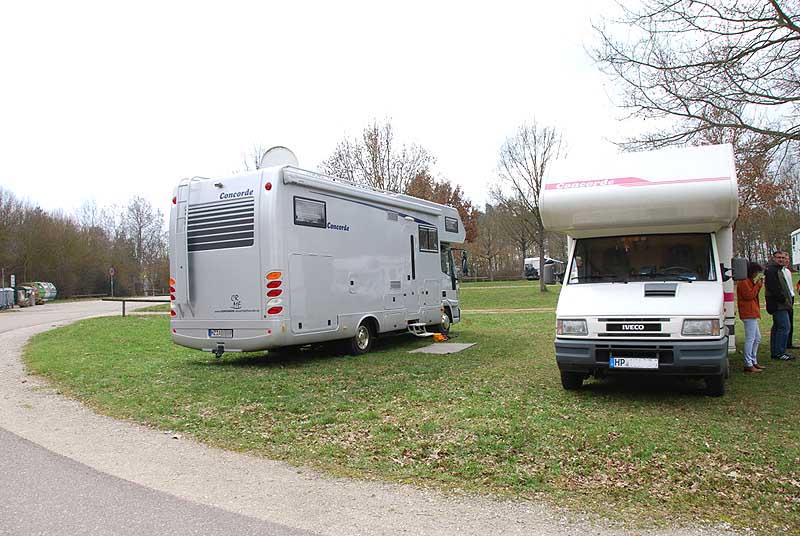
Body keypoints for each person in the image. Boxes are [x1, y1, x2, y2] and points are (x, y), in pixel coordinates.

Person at [764, 250, 795, 361]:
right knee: (784, 327)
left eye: (782, 257)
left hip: (781, 304)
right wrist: (783, 299)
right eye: (778, 257)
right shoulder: (772, 271)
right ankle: (780, 352)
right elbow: (774, 288)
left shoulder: (779, 270)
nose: (781, 259)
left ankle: (776, 352)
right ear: (774, 258)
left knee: (777, 327)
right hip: (778, 305)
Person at [736, 262, 765, 372]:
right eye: (756, 272)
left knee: (757, 338)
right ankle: (748, 363)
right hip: (748, 313)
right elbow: (749, 296)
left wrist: (757, 285)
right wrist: (758, 285)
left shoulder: (748, 281)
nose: (756, 274)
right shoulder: (743, 282)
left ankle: (753, 360)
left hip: (752, 312)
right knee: (751, 338)